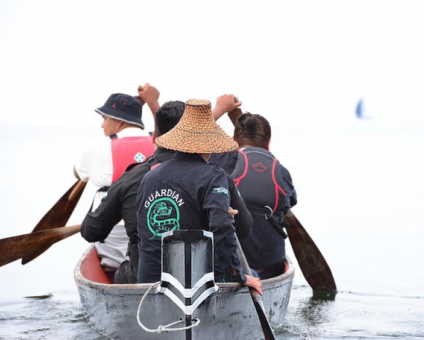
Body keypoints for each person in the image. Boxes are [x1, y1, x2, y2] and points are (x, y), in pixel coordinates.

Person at [136, 99, 261, 293]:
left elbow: (143, 233)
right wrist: (238, 276)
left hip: (150, 284)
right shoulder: (214, 176)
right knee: (255, 275)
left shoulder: (148, 178)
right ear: (211, 144)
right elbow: (223, 227)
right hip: (197, 286)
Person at [211, 108, 297, 279]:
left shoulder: (222, 162)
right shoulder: (281, 172)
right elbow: (290, 201)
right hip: (270, 268)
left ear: (234, 140)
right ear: (269, 142)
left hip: (232, 268)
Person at [75, 93, 154, 270]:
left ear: (119, 121)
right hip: (156, 231)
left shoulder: (98, 148)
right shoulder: (158, 143)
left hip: (115, 238)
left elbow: (77, 173)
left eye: (104, 118)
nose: (102, 125)